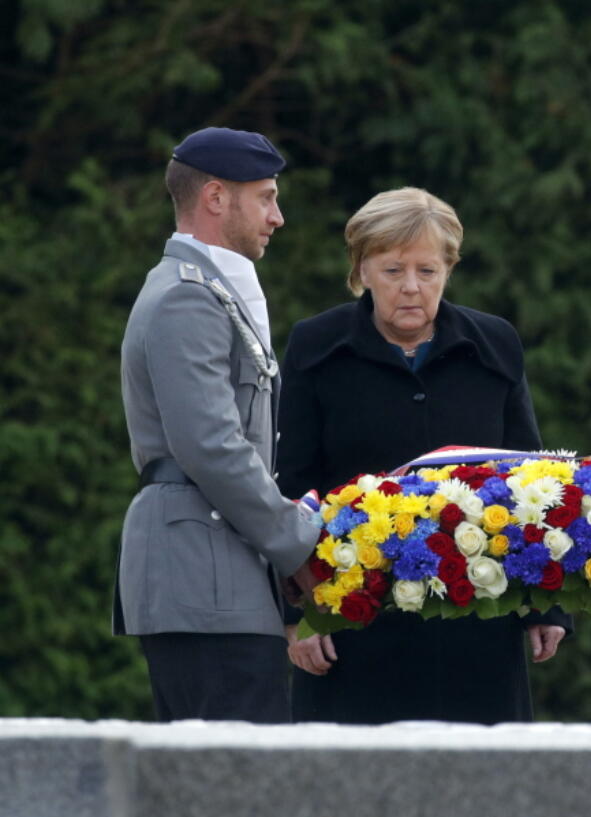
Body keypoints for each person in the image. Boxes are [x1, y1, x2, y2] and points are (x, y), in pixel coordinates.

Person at [276, 186, 570, 724]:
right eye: (393, 271)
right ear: (362, 269)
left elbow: (534, 482)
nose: (411, 287)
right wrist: (297, 615)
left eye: (427, 271)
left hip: (478, 618)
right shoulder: (315, 347)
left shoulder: (495, 344)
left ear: (448, 271)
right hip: (353, 624)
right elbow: (294, 486)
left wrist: (545, 605)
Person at [115, 127, 322, 722]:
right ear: (214, 197)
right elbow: (212, 447)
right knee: (238, 786)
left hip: (215, 568)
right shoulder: (189, 298)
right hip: (201, 573)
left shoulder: (207, 291)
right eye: (265, 197)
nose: (278, 216)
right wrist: (296, 545)